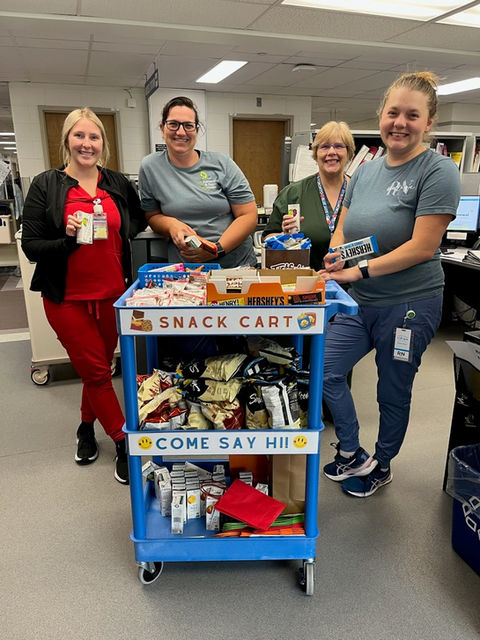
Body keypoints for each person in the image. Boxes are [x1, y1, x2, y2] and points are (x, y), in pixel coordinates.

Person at [321, 71, 461, 498]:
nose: (400, 123)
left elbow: (422, 246)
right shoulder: (365, 172)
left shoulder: (437, 171)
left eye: (412, 115)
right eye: (393, 113)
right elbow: (344, 225)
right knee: (325, 370)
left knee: (391, 390)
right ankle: (352, 450)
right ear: (381, 115)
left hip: (408, 305)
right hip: (360, 301)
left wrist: (358, 271)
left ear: (428, 123)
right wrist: (336, 254)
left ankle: (381, 464)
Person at [21, 107, 146, 485]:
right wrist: (69, 239)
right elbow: (31, 246)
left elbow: (137, 219)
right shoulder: (47, 184)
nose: (86, 143)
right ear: (67, 140)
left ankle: (86, 428)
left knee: (99, 370)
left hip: (112, 295)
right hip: (66, 300)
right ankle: (124, 443)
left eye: (94, 137)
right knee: (96, 372)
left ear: (103, 144)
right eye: (79, 135)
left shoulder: (116, 182)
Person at [138, 96, 257, 268]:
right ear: (162, 128)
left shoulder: (222, 164)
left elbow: (248, 215)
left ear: (196, 129)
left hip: (234, 264)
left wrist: (216, 250)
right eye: (173, 124)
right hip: (187, 267)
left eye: (188, 125)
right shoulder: (150, 167)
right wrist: (171, 224)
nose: (181, 132)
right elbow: (152, 215)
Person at [262, 121, 355, 270]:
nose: (331, 152)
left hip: (355, 281)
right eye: (325, 146)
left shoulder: (360, 191)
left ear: (349, 153)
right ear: (315, 153)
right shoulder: (293, 193)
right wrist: (284, 237)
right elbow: (267, 238)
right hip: (306, 280)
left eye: (339, 146)